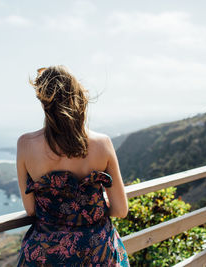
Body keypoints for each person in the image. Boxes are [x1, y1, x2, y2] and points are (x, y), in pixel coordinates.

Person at [16, 65, 130, 266]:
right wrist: (89, 211)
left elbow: (31, 209)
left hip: (45, 256)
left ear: (43, 102)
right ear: (78, 99)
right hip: (96, 253)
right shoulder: (102, 143)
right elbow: (120, 210)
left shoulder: (25, 144)